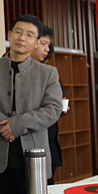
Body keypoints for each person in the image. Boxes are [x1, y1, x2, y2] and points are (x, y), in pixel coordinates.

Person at [0, 14, 62, 194]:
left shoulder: (47, 73)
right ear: (9, 34)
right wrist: (3, 124)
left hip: (35, 158)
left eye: (29, 35)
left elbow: (53, 109)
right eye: (18, 32)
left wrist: (16, 125)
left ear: (36, 42)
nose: (22, 38)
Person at [31, 26, 68, 184]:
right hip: (23, 139)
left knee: (45, 186)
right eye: (44, 44)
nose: (47, 49)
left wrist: (58, 108)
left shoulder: (50, 73)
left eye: (48, 45)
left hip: (47, 137)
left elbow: (61, 104)